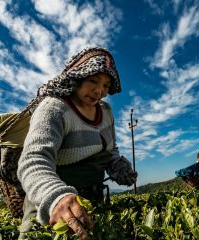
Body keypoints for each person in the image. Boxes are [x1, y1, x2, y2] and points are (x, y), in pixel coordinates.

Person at [17, 47, 137, 240]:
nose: (99, 91)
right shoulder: (54, 108)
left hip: (91, 201)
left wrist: (117, 165)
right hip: (51, 204)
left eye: (106, 86)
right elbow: (34, 160)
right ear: (77, 77)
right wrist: (56, 196)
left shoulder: (105, 112)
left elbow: (110, 148)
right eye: (93, 81)